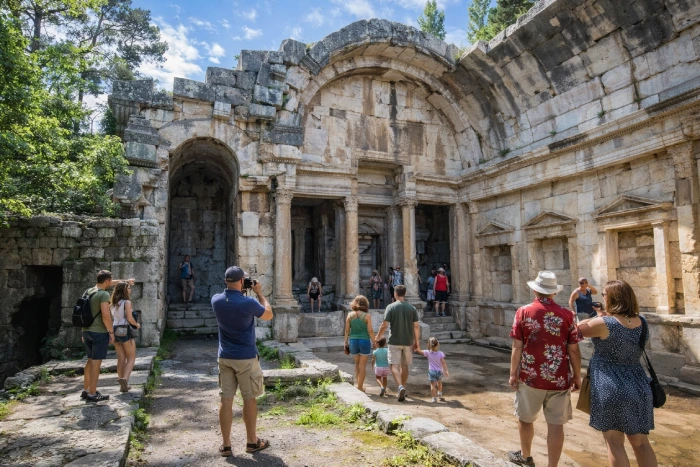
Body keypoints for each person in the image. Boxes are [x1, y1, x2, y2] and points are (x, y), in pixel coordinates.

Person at [577, 280, 658, 467]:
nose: (602, 298)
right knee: (641, 443)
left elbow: (576, 330)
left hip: (610, 385)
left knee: (614, 442)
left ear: (612, 298)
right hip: (638, 385)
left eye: (604, 295)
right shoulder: (642, 321)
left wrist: (595, 317)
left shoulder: (603, 323)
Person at [507, 271, 582, 467]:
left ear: (535, 291)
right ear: (554, 293)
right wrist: (577, 376)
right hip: (559, 378)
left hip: (530, 377)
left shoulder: (523, 312)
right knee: (556, 425)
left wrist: (513, 373)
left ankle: (526, 457)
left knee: (525, 419)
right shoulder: (567, 315)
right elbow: (574, 349)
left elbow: (517, 346)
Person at [212, 266, 273, 457]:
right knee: (249, 398)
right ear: (241, 282)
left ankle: (226, 445)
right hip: (246, 357)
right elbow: (268, 314)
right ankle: (252, 442)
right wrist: (260, 294)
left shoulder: (216, 300)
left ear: (225, 281)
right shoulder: (248, 303)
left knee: (226, 399)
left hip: (225, 356)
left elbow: (231, 300)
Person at [80, 270, 135, 402]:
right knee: (96, 363)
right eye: (110, 281)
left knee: (89, 360)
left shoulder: (89, 291)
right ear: (106, 281)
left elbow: (83, 311)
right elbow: (105, 315)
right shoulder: (104, 294)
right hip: (98, 332)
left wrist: (126, 281)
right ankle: (93, 394)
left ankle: (86, 390)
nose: (111, 283)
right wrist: (110, 332)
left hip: (86, 330)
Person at [375, 285, 419, 402]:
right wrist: (417, 342)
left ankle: (400, 387)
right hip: (408, 341)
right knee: (404, 366)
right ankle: (403, 387)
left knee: (394, 365)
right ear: (405, 293)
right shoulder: (411, 308)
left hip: (394, 341)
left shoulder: (391, 307)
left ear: (395, 293)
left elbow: (384, 325)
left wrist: (378, 336)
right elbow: (416, 327)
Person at [109, 281, 141, 393]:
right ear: (124, 290)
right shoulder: (126, 302)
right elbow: (129, 318)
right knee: (131, 357)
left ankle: (121, 379)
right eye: (128, 288)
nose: (130, 290)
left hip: (115, 329)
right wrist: (137, 325)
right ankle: (125, 380)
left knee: (121, 357)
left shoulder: (113, 303)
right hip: (124, 330)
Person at [344, 295, 376, 392]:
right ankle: (360, 387)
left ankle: (358, 385)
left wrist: (345, 342)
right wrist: (375, 341)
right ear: (366, 304)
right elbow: (370, 331)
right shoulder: (367, 316)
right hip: (364, 341)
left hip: (353, 341)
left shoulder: (350, 315)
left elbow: (346, 331)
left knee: (357, 364)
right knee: (362, 365)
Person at [415, 337, 449, 403]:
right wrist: (446, 370)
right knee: (439, 382)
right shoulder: (441, 353)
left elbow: (419, 351)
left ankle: (434, 398)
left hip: (431, 371)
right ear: (438, 344)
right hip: (439, 371)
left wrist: (417, 345)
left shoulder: (428, 352)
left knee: (433, 385)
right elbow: (443, 362)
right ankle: (439, 393)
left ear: (429, 345)